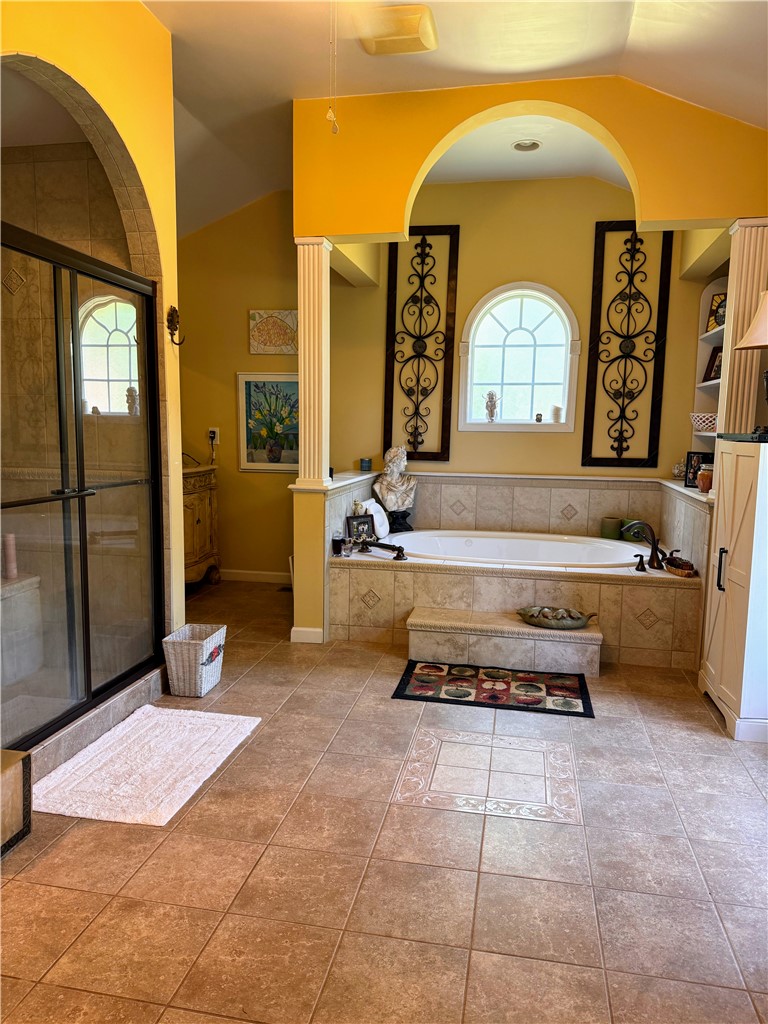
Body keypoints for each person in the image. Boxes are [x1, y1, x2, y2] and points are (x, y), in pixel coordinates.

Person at [373, 446, 417, 511]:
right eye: (404, 461)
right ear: (396, 463)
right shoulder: (379, 486)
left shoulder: (409, 482)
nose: (406, 463)